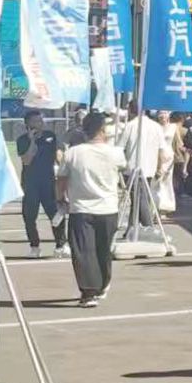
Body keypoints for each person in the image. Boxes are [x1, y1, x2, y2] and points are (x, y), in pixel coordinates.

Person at [58, 111, 125, 308]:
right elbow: (123, 167)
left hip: (81, 208)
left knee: (83, 251)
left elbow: (61, 179)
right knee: (103, 249)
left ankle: (89, 292)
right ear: (103, 130)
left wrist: (60, 198)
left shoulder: (73, 153)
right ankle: (102, 284)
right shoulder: (115, 153)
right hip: (108, 208)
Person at [15, 109, 65, 259]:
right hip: (30, 184)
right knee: (29, 216)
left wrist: (63, 169)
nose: (40, 123)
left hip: (48, 182)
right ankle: (35, 246)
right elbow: (27, 160)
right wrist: (32, 141)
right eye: (36, 121)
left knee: (55, 214)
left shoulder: (51, 136)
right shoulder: (22, 140)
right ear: (28, 124)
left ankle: (61, 245)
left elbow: (59, 156)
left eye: (41, 120)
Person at [116, 106, 167, 235]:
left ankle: (146, 226)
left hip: (132, 167)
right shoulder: (156, 127)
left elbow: (120, 147)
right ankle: (132, 227)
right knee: (140, 198)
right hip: (150, 167)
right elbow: (161, 149)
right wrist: (160, 167)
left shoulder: (130, 126)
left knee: (138, 198)